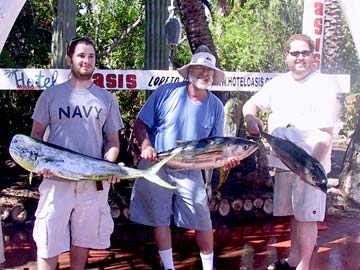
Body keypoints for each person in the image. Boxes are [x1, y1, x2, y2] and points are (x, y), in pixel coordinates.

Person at [130, 47, 239, 270]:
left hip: (191, 170)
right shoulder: (165, 93)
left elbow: (217, 146)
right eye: (199, 68)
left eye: (208, 70)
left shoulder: (217, 107)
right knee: (159, 219)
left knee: (202, 219)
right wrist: (147, 145)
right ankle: (169, 267)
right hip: (156, 167)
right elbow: (139, 124)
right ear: (189, 71)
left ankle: (208, 267)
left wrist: (226, 160)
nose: (204, 73)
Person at [243, 34, 337, 270]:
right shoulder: (278, 83)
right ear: (286, 55)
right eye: (295, 53)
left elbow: (327, 133)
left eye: (305, 53)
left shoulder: (323, 84)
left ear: (313, 56)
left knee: (308, 217)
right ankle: (294, 259)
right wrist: (250, 117)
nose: (300, 58)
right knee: (295, 213)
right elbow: (249, 105)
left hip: (310, 164)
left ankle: (303, 265)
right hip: (284, 162)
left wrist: (310, 167)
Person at [30, 36, 123, 270]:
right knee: (47, 240)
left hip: (92, 185)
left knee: (83, 240)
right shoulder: (50, 95)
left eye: (91, 56)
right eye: (81, 55)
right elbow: (36, 137)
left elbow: (112, 141)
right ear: (69, 59)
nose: (87, 61)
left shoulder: (106, 98)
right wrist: (39, 164)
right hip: (55, 182)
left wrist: (108, 167)